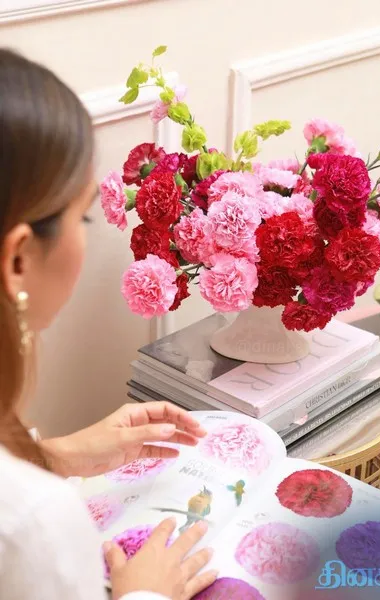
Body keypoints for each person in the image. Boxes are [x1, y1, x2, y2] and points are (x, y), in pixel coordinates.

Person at [0, 49, 217, 600]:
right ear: (19, 258)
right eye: (84, 216)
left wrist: (53, 456)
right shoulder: (34, 525)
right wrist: (146, 594)